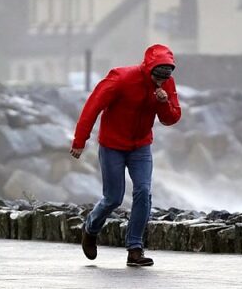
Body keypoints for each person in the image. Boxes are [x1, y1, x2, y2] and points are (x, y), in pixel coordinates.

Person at [70, 44, 181, 266]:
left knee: (144, 191)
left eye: (165, 76)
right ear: (149, 68)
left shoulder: (166, 84)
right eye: (157, 75)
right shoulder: (121, 78)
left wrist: (164, 102)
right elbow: (93, 106)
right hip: (112, 145)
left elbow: (171, 118)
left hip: (140, 146)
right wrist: (80, 140)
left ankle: (135, 249)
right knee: (113, 198)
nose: (161, 81)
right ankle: (90, 228)